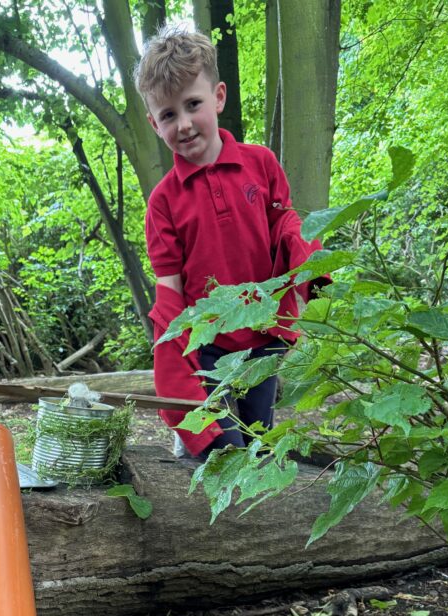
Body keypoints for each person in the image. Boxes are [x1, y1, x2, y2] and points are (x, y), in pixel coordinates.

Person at [134, 26, 324, 459]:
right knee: (223, 452)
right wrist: (173, 369)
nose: (182, 124)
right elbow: (170, 297)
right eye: (167, 115)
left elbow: (287, 228)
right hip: (209, 347)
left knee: (258, 444)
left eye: (193, 105)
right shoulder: (163, 203)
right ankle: (195, 443)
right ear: (153, 122)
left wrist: (314, 272)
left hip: (263, 335)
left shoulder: (261, 163)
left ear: (218, 97)